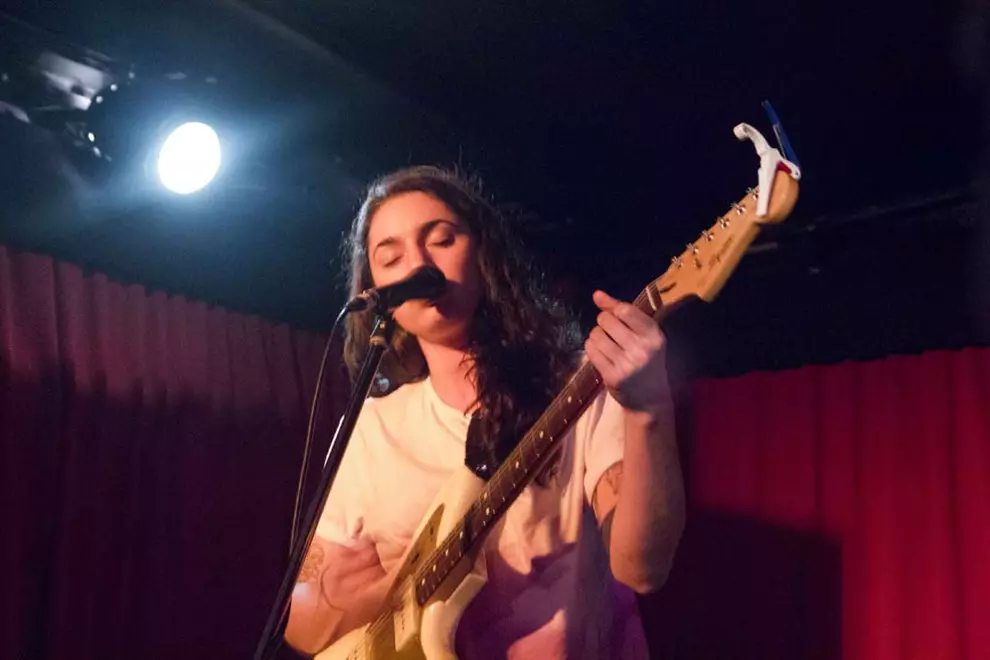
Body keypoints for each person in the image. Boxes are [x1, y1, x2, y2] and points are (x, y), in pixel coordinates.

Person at [284, 165, 685, 658]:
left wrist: (649, 410)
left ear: (482, 254)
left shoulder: (578, 385)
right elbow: (299, 623)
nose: (417, 264)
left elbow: (643, 567)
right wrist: (401, 592)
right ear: (377, 293)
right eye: (390, 257)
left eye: (441, 239)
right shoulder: (371, 427)